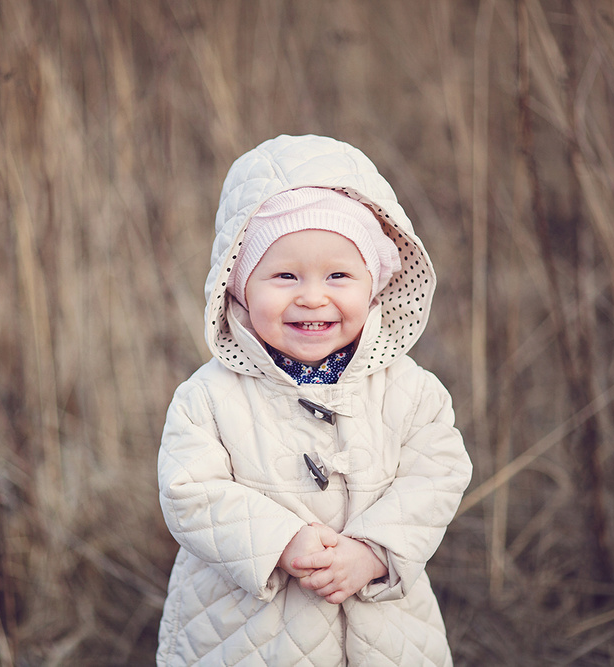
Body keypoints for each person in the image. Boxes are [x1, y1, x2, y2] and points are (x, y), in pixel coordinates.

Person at [156, 134, 473, 665]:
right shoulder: (207, 396)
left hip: (381, 631)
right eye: (284, 275)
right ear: (238, 287)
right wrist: (281, 541)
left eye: (338, 275)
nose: (312, 295)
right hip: (245, 636)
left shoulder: (409, 389)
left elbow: (437, 475)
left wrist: (373, 552)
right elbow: (190, 492)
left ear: (374, 285)